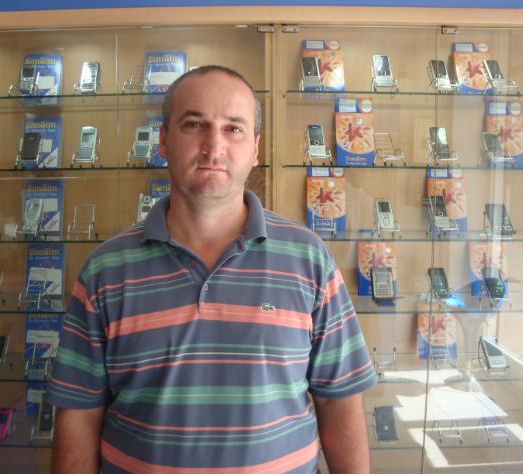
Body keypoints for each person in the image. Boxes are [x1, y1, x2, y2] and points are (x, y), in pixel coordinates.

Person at [46, 65, 377, 473]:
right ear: (163, 140)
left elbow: (339, 400)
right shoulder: (104, 271)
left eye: (233, 128)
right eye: (194, 124)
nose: (213, 146)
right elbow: (79, 414)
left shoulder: (309, 260)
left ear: (255, 149)